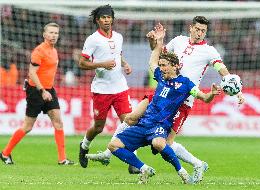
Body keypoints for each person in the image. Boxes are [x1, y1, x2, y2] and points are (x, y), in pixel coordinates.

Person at [106, 26, 220, 184]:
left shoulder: (185, 84)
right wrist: (158, 41)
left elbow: (203, 97)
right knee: (113, 145)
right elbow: (152, 60)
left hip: (160, 125)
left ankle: (184, 173)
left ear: (175, 66)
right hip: (144, 122)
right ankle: (143, 168)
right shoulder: (160, 76)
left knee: (161, 143)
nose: (162, 68)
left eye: (165, 65)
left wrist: (211, 95)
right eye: (162, 65)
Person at [0, 23, 74, 165]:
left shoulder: (54, 51)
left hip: (49, 90)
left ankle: (62, 159)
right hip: (36, 91)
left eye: (56, 33)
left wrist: (48, 90)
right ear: (44, 34)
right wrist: (42, 90)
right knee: (27, 126)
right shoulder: (39, 51)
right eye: (51, 33)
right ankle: (5, 153)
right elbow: (32, 73)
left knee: (58, 122)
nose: (53, 35)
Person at [77, 4, 134, 171]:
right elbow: (82, 63)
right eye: (103, 18)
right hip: (102, 90)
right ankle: (84, 145)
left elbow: (118, 54)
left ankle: (133, 162)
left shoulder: (118, 37)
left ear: (113, 19)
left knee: (128, 123)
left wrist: (125, 64)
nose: (107, 20)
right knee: (99, 127)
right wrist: (102, 64)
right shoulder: (92, 39)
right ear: (97, 20)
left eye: (109, 17)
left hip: (120, 87)